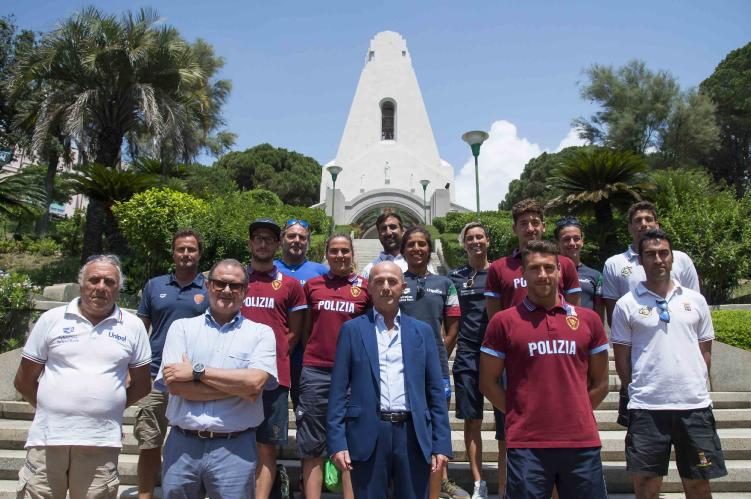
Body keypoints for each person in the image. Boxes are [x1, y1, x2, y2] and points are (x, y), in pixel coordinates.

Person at [479, 240, 610, 499]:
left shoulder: (588, 320)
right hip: (527, 445)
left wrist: (576, 411)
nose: (542, 275)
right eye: (535, 268)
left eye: (549, 268)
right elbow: (488, 383)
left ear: (560, 272)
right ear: (523, 274)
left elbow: (601, 383)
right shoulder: (503, 322)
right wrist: (519, 412)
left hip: (581, 443)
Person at [14, 255, 152, 498]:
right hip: (49, 439)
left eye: (109, 282)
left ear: (118, 288)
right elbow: (23, 381)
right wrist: (50, 407)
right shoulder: (51, 320)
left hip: (100, 442)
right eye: (94, 280)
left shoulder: (133, 327)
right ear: (82, 284)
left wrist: (108, 407)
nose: (101, 287)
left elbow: (142, 385)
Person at [611, 229, 727, 498]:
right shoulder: (626, 305)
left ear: (672, 257)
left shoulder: (695, 301)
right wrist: (636, 390)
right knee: (647, 487)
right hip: (647, 407)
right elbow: (622, 360)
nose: (658, 259)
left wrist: (695, 385)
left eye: (663, 253)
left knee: (698, 485)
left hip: (694, 406)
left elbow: (705, 354)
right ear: (641, 261)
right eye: (650, 254)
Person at [327, 261, 453, 499]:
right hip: (367, 433)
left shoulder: (422, 331)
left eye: (392, 282)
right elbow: (338, 391)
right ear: (369, 288)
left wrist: (441, 443)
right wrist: (337, 442)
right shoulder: (352, 330)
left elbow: (435, 390)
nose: (386, 287)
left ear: (402, 287)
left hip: (412, 434)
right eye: (379, 282)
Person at [156, 258, 278, 498]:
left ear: (245, 291)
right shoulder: (181, 328)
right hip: (183, 445)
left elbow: (255, 383)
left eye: (235, 286)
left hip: (234, 448)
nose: (227, 290)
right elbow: (176, 386)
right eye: (220, 283)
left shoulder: (261, 333)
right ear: (208, 285)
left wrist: (197, 372)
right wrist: (239, 388)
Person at [483, 199, 582, 495]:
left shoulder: (563, 265)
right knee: (508, 434)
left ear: (543, 225)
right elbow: (494, 316)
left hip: (557, 358)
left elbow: (573, 315)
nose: (530, 228)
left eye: (535, 222)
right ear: (514, 228)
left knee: (557, 439)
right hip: (515, 364)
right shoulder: (500, 268)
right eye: (524, 223)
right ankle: (505, 491)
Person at [135, 229, 208, 499]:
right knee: (149, 441)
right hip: (155, 374)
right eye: (181, 249)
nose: (186, 254)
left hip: (194, 378)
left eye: (191, 249)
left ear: (199, 253)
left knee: (192, 439)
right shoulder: (154, 286)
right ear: (173, 253)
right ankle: (145, 494)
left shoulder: (209, 288)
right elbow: (140, 330)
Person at [297, 234, 371, 499]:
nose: (340, 255)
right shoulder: (313, 285)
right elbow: (306, 328)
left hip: (353, 374)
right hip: (316, 370)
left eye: (345, 251)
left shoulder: (365, 287)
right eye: (334, 251)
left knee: (350, 443)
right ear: (326, 255)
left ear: (353, 254)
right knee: (312, 444)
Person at [398, 226, 466, 499]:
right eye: (411, 244)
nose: (416, 249)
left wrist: (434, 356)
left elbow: (452, 328)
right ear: (403, 250)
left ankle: (438, 487)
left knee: (438, 428)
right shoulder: (396, 281)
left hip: (436, 369)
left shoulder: (445, 284)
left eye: (422, 244)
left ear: (429, 248)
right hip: (400, 370)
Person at [242, 218, 307, 499]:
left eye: (269, 239)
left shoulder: (291, 285)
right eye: (258, 238)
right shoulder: (235, 280)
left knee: (266, 445)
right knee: (232, 441)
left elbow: (293, 333)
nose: (264, 243)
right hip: (232, 377)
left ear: (277, 245)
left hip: (274, 379)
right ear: (250, 243)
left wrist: (271, 358)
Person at [448, 222, 492, 499]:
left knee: (507, 418)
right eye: (470, 238)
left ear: (488, 241)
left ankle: (510, 475)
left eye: (480, 237)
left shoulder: (499, 273)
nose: (475, 242)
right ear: (463, 243)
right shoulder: (454, 278)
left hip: (498, 353)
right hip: (466, 352)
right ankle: (479, 482)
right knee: (471, 419)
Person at [602, 200, 699, 326]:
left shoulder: (681, 259)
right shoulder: (614, 264)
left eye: (648, 219)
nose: (644, 224)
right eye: (638, 220)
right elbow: (614, 318)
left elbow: (696, 302)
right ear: (629, 227)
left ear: (657, 225)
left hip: (680, 334)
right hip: (638, 339)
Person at [273, 219, 328, 411]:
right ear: (281, 240)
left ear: (308, 242)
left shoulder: (321, 272)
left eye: (302, 237)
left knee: (304, 408)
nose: (296, 240)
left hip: (307, 354)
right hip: (274, 351)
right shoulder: (269, 269)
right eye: (291, 236)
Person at [553, 217, 605, 322]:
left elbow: (599, 316)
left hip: (585, 333)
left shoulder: (595, 275)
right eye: (566, 239)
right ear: (557, 243)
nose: (572, 243)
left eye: (576, 238)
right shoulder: (549, 273)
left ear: (582, 241)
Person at [360, 212, 408, 278]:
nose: (388, 233)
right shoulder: (369, 269)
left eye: (393, 227)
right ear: (379, 235)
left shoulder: (416, 264)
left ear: (402, 231)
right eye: (384, 228)